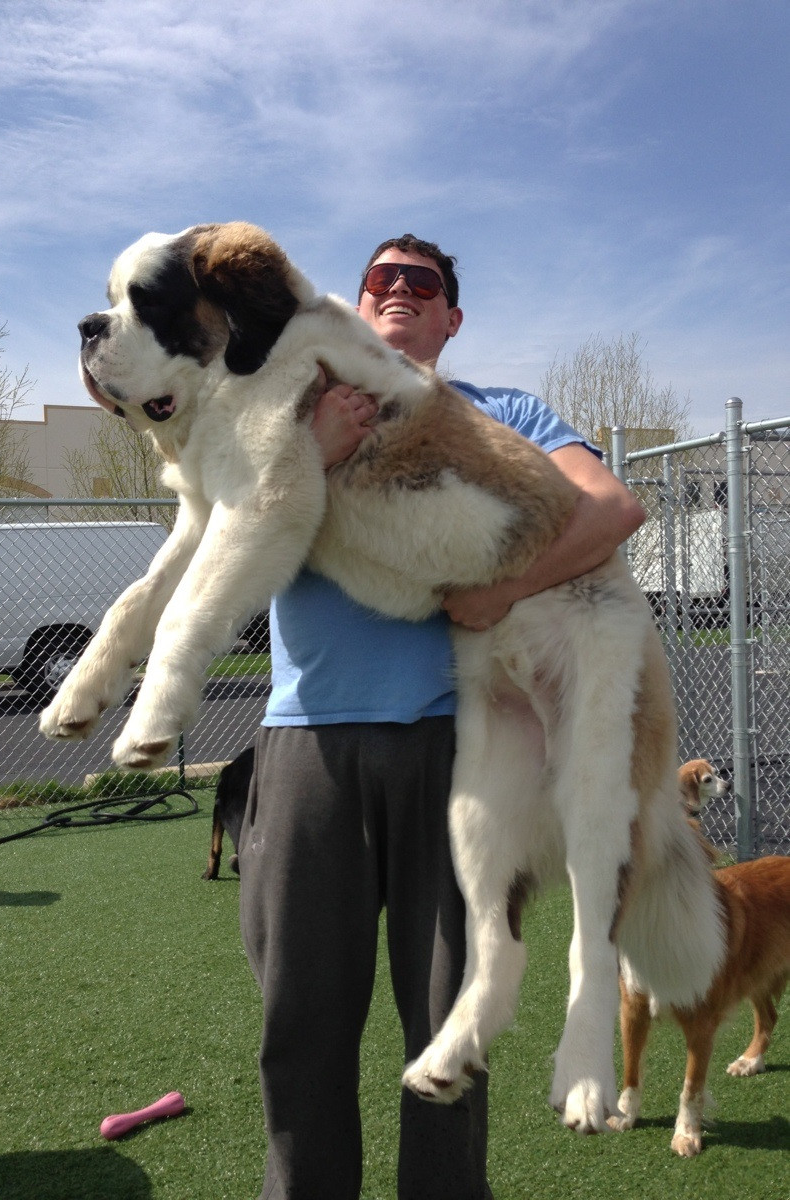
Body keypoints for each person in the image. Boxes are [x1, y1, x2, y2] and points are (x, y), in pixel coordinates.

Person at [238, 235, 645, 1200]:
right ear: (356, 300)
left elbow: (611, 506)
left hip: (453, 750)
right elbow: (231, 523)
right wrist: (312, 451)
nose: (400, 296)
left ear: (451, 318)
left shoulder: (503, 413)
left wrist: (506, 591)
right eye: (382, 280)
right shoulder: (294, 406)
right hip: (309, 741)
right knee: (301, 1028)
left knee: (450, 1028)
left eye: (423, 286)